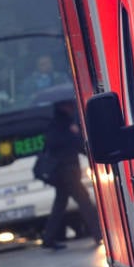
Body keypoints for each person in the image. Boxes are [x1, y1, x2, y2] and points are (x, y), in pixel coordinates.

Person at [38, 99, 102, 250]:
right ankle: (99, 234)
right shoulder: (61, 125)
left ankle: (48, 237)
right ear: (63, 107)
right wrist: (73, 133)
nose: (72, 108)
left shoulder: (63, 123)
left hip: (66, 171)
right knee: (85, 201)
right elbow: (62, 144)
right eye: (69, 106)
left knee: (60, 204)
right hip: (66, 171)